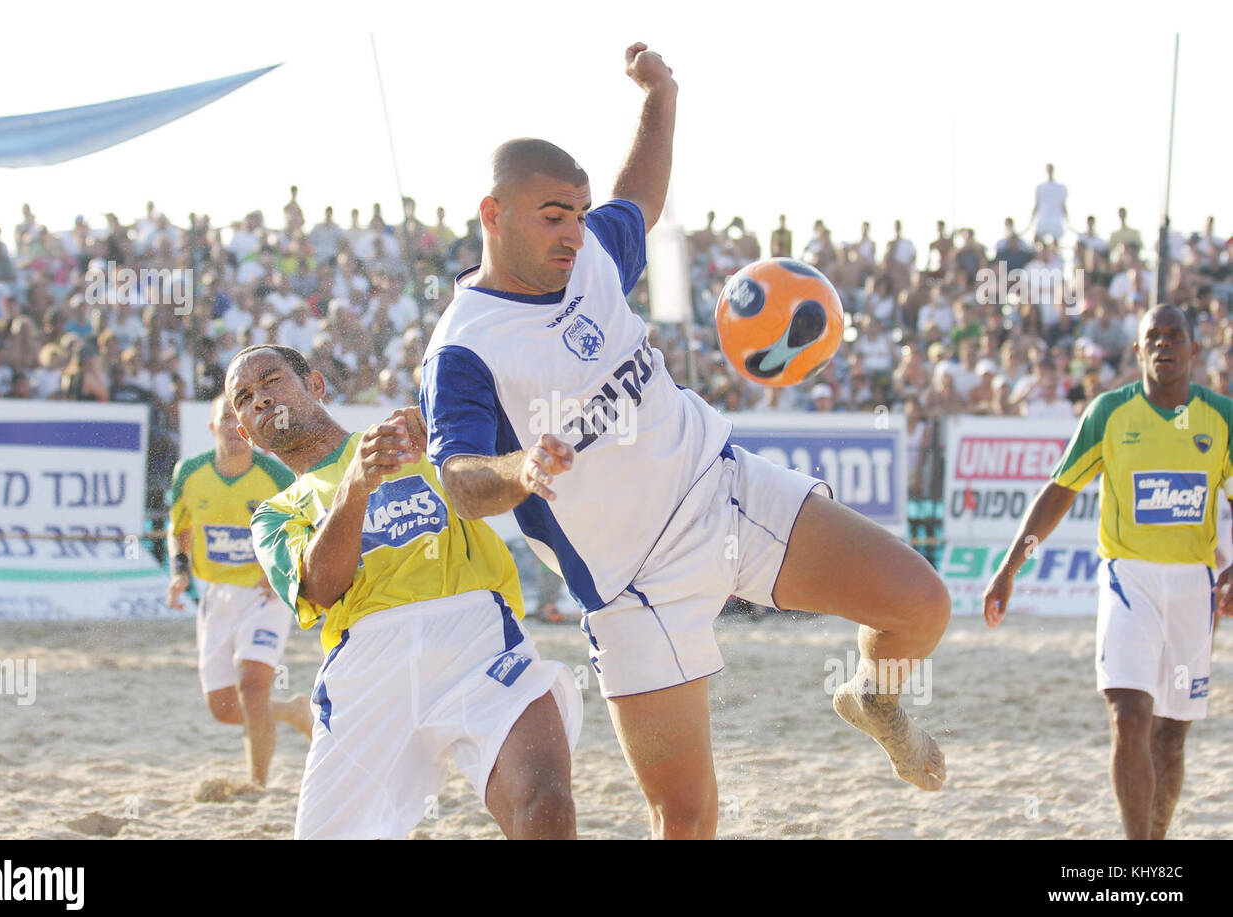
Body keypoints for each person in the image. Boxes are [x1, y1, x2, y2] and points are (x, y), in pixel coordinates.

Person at [421, 42, 949, 840]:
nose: (573, 233)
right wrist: (519, 469)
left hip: (723, 490)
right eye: (552, 216)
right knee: (687, 815)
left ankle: (875, 697)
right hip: (634, 586)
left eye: (577, 212)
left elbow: (638, 199)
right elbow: (459, 478)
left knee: (922, 607)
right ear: (493, 215)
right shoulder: (464, 346)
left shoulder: (590, 256)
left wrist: (661, 97)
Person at [225, 344, 581, 840]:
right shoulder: (274, 513)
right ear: (245, 432)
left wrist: (506, 458)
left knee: (546, 801)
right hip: (367, 667)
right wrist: (355, 485)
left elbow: (484, 482)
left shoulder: (414, 438)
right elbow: (324, 588)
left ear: (315, 385)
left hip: (476, 638)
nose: (260, 398)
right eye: (244, 397)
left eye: (270, 380)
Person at [983, 304, 1233, 840]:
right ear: (1138, 350)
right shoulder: (1110, 413)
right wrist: (1011, 565)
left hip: (1194, 587)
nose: (1165, 345)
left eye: (1176, 336)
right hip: (1128, 580)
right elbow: (1060, 490)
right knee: (1128, 716)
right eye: (1153, 337)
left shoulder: (1221, 417)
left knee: (1170, 738)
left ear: (1194, 348)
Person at [166, 394, 311, 788]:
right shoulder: (190, 473)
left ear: (250, 431)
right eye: (224, 419)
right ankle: (295, 711)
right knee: (225, 708)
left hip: (264, 595)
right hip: (216, 593)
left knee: (252, 687)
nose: (233, 427)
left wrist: (282, 565)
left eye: (239, 421)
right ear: (212, 427)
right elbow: (179, 526)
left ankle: (257, 786)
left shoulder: (275, 476)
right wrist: (180, 573)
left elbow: (308, 523)